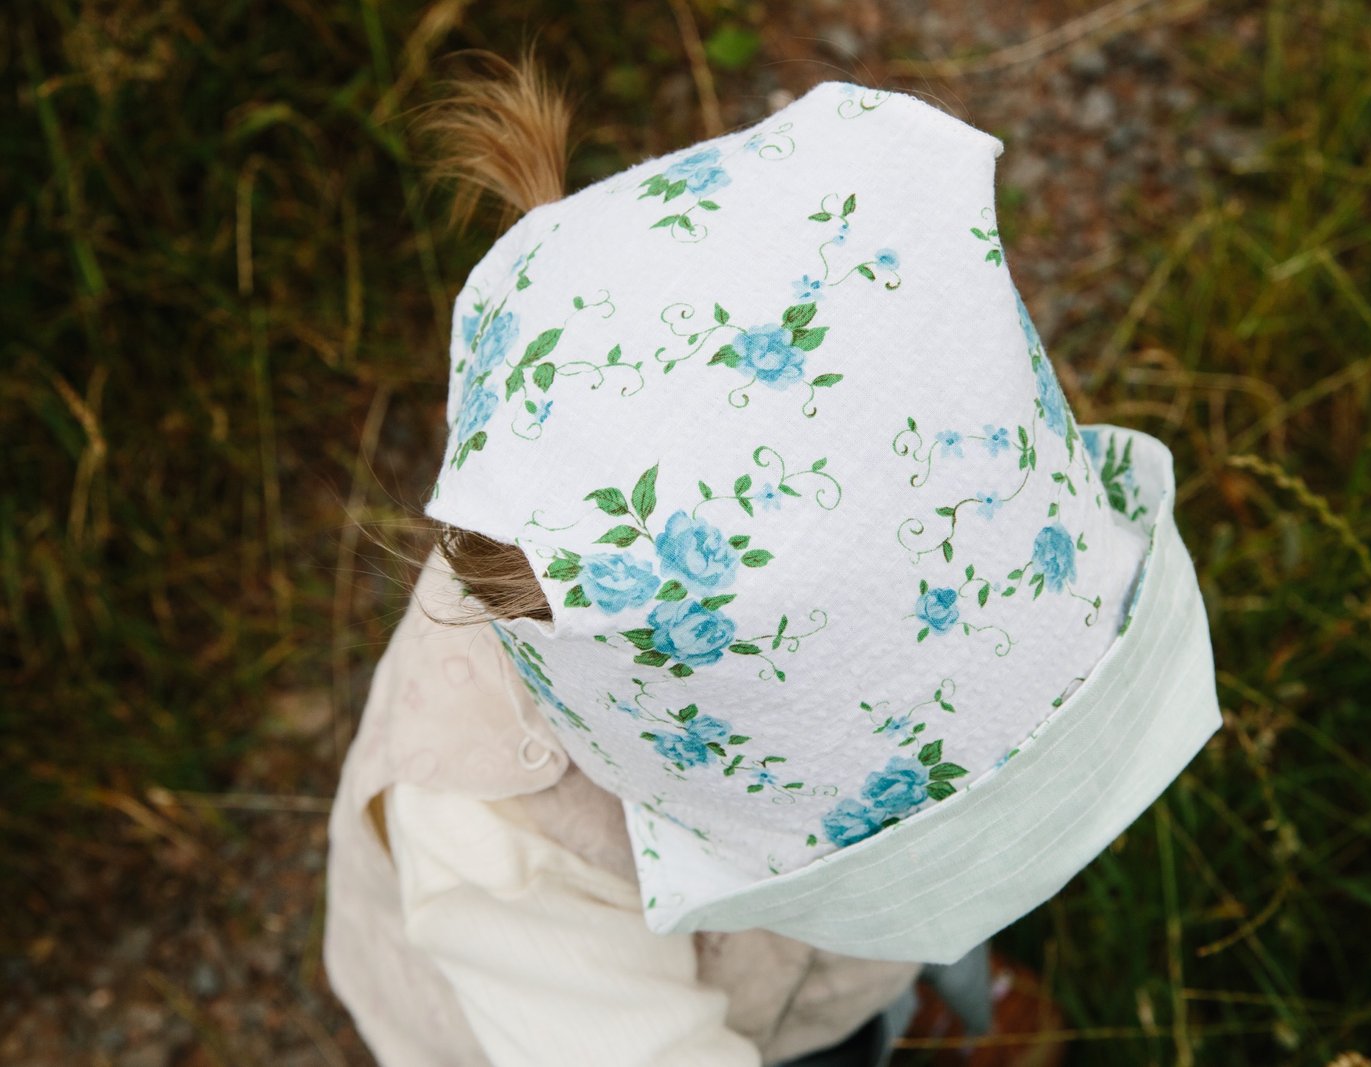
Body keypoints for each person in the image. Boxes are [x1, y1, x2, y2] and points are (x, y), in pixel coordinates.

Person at [323, 52, 1221, 1067]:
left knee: (885, 954)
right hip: (634, 1024)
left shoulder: (883, 542)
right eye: (907, 824)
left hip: (812, 967)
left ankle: (897, 990)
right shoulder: (502, 849)